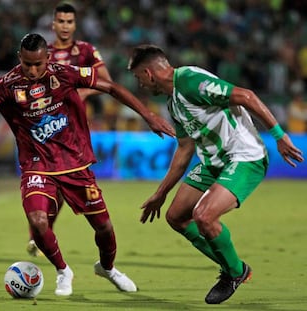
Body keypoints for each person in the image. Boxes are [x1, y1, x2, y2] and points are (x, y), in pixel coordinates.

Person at [0, 33, 174, 296]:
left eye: (38, 64)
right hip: (36, 165)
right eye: (27, 64)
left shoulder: (65, 74)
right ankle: (63, 270)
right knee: (38, 221)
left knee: (104, 227)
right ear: (20, 58)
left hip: (75, 164)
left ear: (47, 58)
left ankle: (108, 268)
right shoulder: (5, 85)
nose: (32, 70)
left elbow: (111, 87)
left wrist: (149, 115)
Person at [127, 44, 304, 304]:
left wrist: (279, 135)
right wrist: (160, 194)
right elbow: (185, 149)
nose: (139, 84)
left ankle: (233, 272)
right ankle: (234, 266)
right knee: (176, 217)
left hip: (245, 156)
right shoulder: (173, 102)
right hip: (214, 161)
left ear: (149, 73)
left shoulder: (189, 81)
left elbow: (246, 96)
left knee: (204, 215)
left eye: (138, 77)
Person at [26, 2, 114, 256]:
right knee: (49, 183)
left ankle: (43, 232)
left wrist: (78, 94)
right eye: (60, 21)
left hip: (73, 129)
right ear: (53, 24)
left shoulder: (85, 50)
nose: (65, 26)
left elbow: (107, 80)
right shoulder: (43, 52)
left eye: (69, 22)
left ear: (75, 25)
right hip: (44, 128)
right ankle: (40, 232)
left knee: (66, 185)